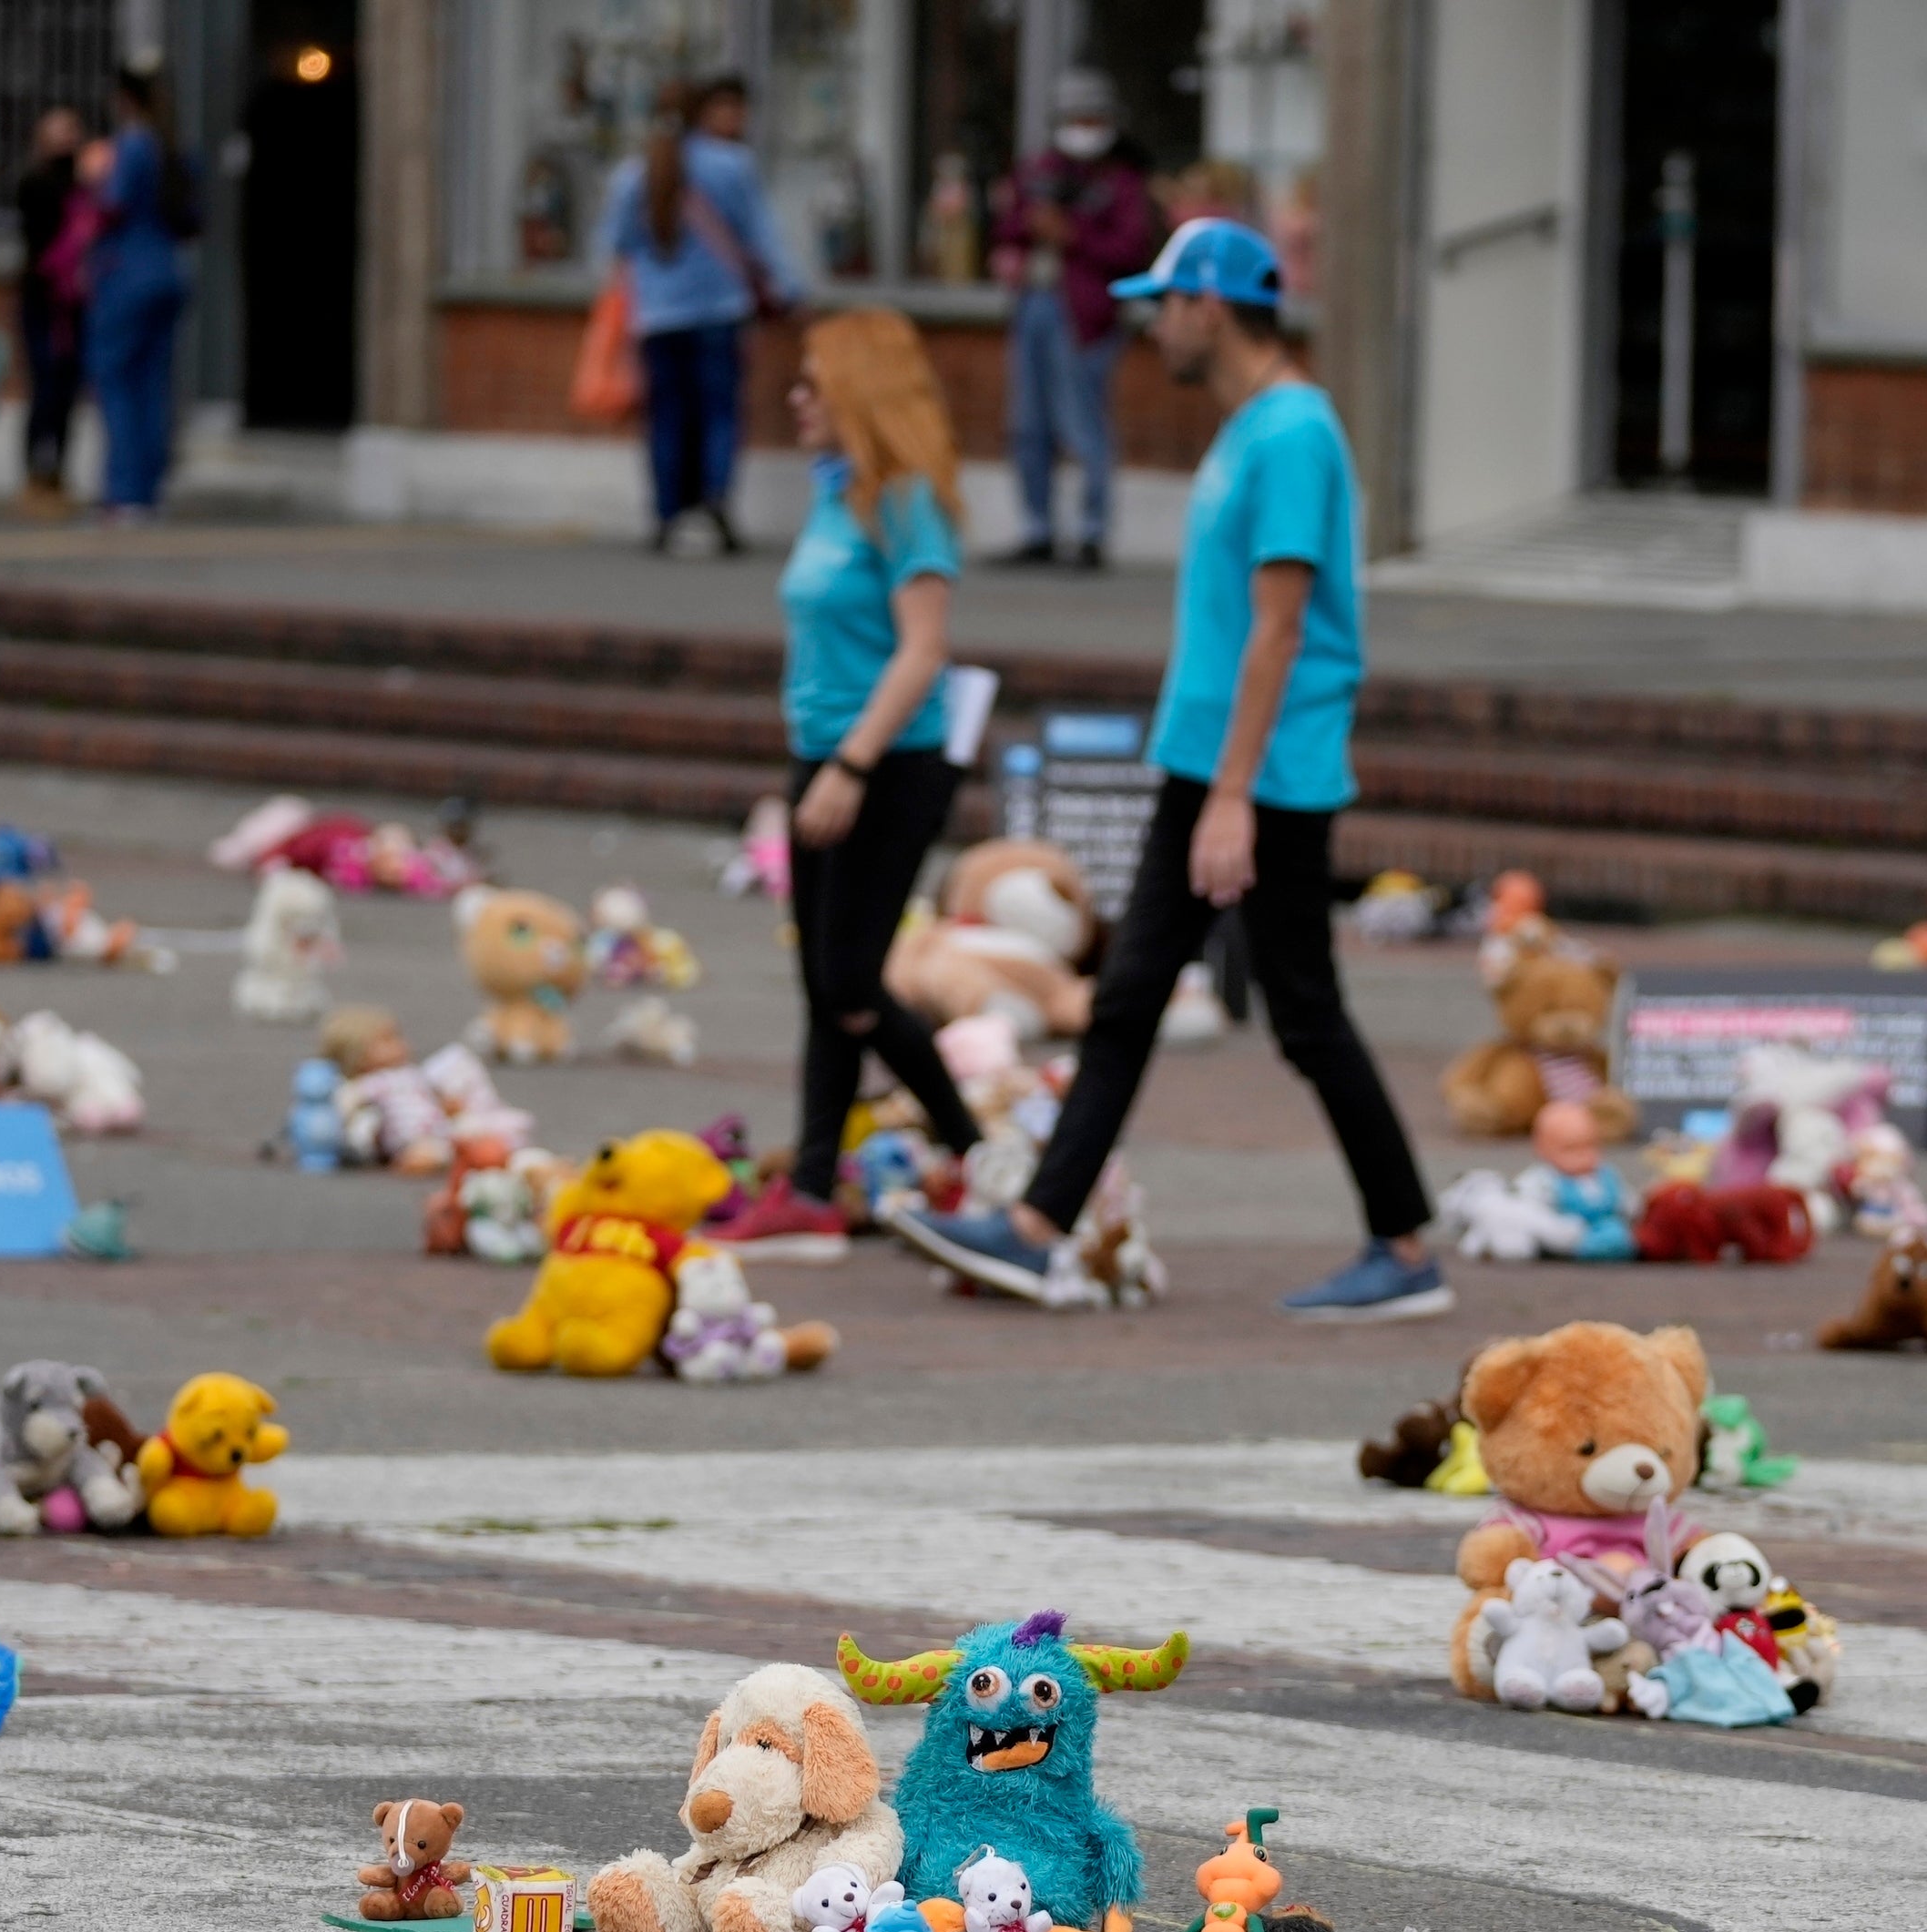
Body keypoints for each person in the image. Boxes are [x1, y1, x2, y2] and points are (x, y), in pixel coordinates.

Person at [899, 218, 1443, 1321]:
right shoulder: (1257, 426)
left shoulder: (1291, 434)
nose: (1152, 327)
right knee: (1139, 996)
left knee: (1296, 1012)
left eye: (1164, 305)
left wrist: (1231, 795)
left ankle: (1403, 1247)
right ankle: (1038, 1231)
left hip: (1260, 775)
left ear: (1211, 305)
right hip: (1217, 763)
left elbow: (1280, 629)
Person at [702, 309, 989, 1259]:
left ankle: (978, 1150)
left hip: (888, 765)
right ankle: (815, 1189)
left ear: (860, 393)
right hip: (824, 757)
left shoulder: (907, 503)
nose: (795, 399)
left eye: (813, 384)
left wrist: (854, 765)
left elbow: (924, 650)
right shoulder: (837, 495)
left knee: (849, 981)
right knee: (823, 984)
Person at [604, 75, 801, 554]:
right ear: (702, 113)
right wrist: (792, 290)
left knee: (666, 417)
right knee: (719, 412)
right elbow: (762, 235)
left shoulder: (633, 173)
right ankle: (715, 503)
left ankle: (667, 513)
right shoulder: (731, 165)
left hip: (657, 314)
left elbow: (617, 243)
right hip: (719, 310)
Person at [993, 67, 1155, 568]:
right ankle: (1037, 528)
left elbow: (1131, 249)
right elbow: (1006, 226)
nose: (1083, 128)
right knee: (1029, 423)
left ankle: (1090, 532)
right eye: (1075, 118)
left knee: (1084, 423)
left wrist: (1072, 234)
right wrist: (1027, 226)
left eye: (1092, 119)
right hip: (1035, 304)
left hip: (1089, 316)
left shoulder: (1122, 181)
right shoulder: (1037, 171)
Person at [86, 63, 191, 524]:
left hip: (126, 275)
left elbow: (112, 204)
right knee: (153, 384)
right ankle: (149, 489)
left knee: (116, 382)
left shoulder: (130, 145)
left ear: (124, 99)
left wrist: (92, 178)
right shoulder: (171, 144)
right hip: (166, 269)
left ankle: (125, 491)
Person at [14, 105, 97, 506]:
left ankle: (58, 471)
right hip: (44, 298)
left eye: (72, 130)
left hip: (75, 301)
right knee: (44, 385)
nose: (68, 138)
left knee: (67, 390)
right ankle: (35, 471)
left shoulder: (86, 184)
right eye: (59, 131)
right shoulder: (36, 183)